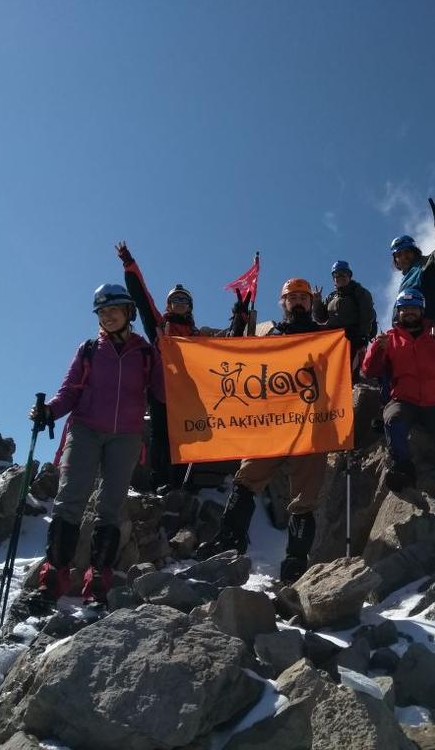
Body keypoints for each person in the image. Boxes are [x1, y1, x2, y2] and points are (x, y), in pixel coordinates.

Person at [27, 283, 162, 607]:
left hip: (126, 436)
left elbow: (163, 392)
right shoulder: (88, 349)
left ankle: (98, 586)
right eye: (102, 312)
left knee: (111, 508)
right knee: (69, 500)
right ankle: (52, 581)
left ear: (128, 312)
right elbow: (69, 392)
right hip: (85, 429)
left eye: (113, 309)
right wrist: (49, 411)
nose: (108, 316)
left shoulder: (146, 354)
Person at [194, 277, 333, 584]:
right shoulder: (268, 335)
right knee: (246, 479)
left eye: (302, 297)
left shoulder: (325, 338)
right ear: (283, 303)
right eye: (292, 297)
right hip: (271, 422)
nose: (297, 301)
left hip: (309, 425)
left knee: (304, 497)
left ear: (311, 303)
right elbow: (238, 363)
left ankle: (296, 559)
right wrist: (240, 321)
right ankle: (230, 540)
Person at [116, 241, 247, 491]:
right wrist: (129, 265)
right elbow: (142, 298)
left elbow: (227, 350)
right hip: (160, 391)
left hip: (188, 396)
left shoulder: (198, 336)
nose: (179, 304)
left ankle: (178, 485)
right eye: (174, 300)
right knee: (160, 437)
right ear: (168, 305)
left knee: (184, 437)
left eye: (184, 301)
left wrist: (239, 319)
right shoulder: (158, 327)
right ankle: (159, 482)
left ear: (190, 307)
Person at [362, 288, 435, 507]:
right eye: (404, 309)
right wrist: (376, 349)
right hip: (403, 399)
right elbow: (369, 371)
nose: (409, 312)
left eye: (413, 308)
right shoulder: (389, 338)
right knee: (393, 420)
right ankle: (403, 469)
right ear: (398, 312)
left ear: (421, 310)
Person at [390, 195, 435, 325]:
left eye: (407, 251)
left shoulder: (429, 265)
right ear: (395, 260)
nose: (403, 257)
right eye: (399, 254)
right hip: (405, 336)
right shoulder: (404, 281)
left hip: (430, 330)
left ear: (415, 252)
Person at [312, 260, 377, 376]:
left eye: (343, 274)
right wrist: (316, 302)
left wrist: (362, 338)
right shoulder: (331, 296)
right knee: (333, 372)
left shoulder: (360, 292)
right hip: (333, 340)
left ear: (349, 276)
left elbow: (367, 315)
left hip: (353, 339)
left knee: (351, 372)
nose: (339, 277)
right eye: (336, 275)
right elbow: (320, 318)